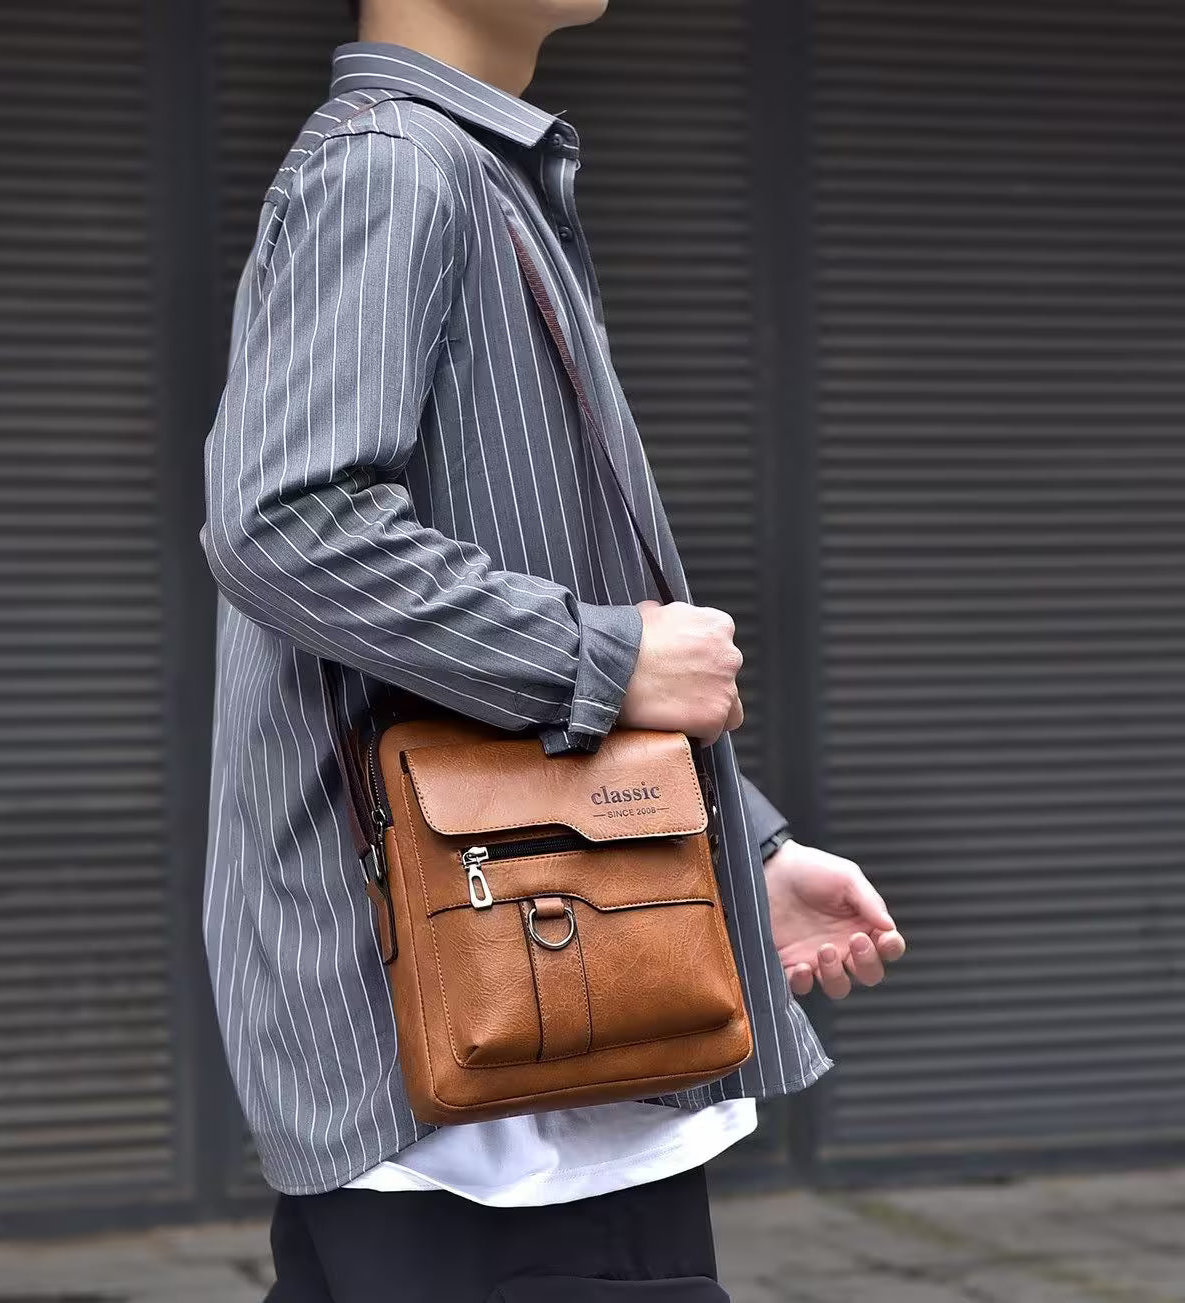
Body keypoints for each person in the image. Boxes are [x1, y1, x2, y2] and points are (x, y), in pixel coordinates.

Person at [199, 0, 907, 1297]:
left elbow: (502, 561)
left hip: (527, 1043)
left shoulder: (465, 170)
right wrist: (610, 657)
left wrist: (739, 850)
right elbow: (287, 526)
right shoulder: (394, 166)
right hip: (497, 1095)